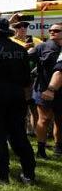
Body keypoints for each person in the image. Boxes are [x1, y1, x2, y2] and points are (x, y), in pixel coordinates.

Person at [0, 17, 35, 184]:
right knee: (18, 134)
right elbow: (26, 78)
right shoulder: (21, 49)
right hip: (17, 96)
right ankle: (29, 173)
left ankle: (0, 174)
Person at [30, 22, 62, 158]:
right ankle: (41, 149)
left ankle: (58, 148)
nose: (52, 32)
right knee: (44, 119)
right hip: (43, 88)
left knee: (60, 119)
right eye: (50, 30)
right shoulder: (42, 47)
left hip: (60, 90)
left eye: (56, 30)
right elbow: (26, 60)